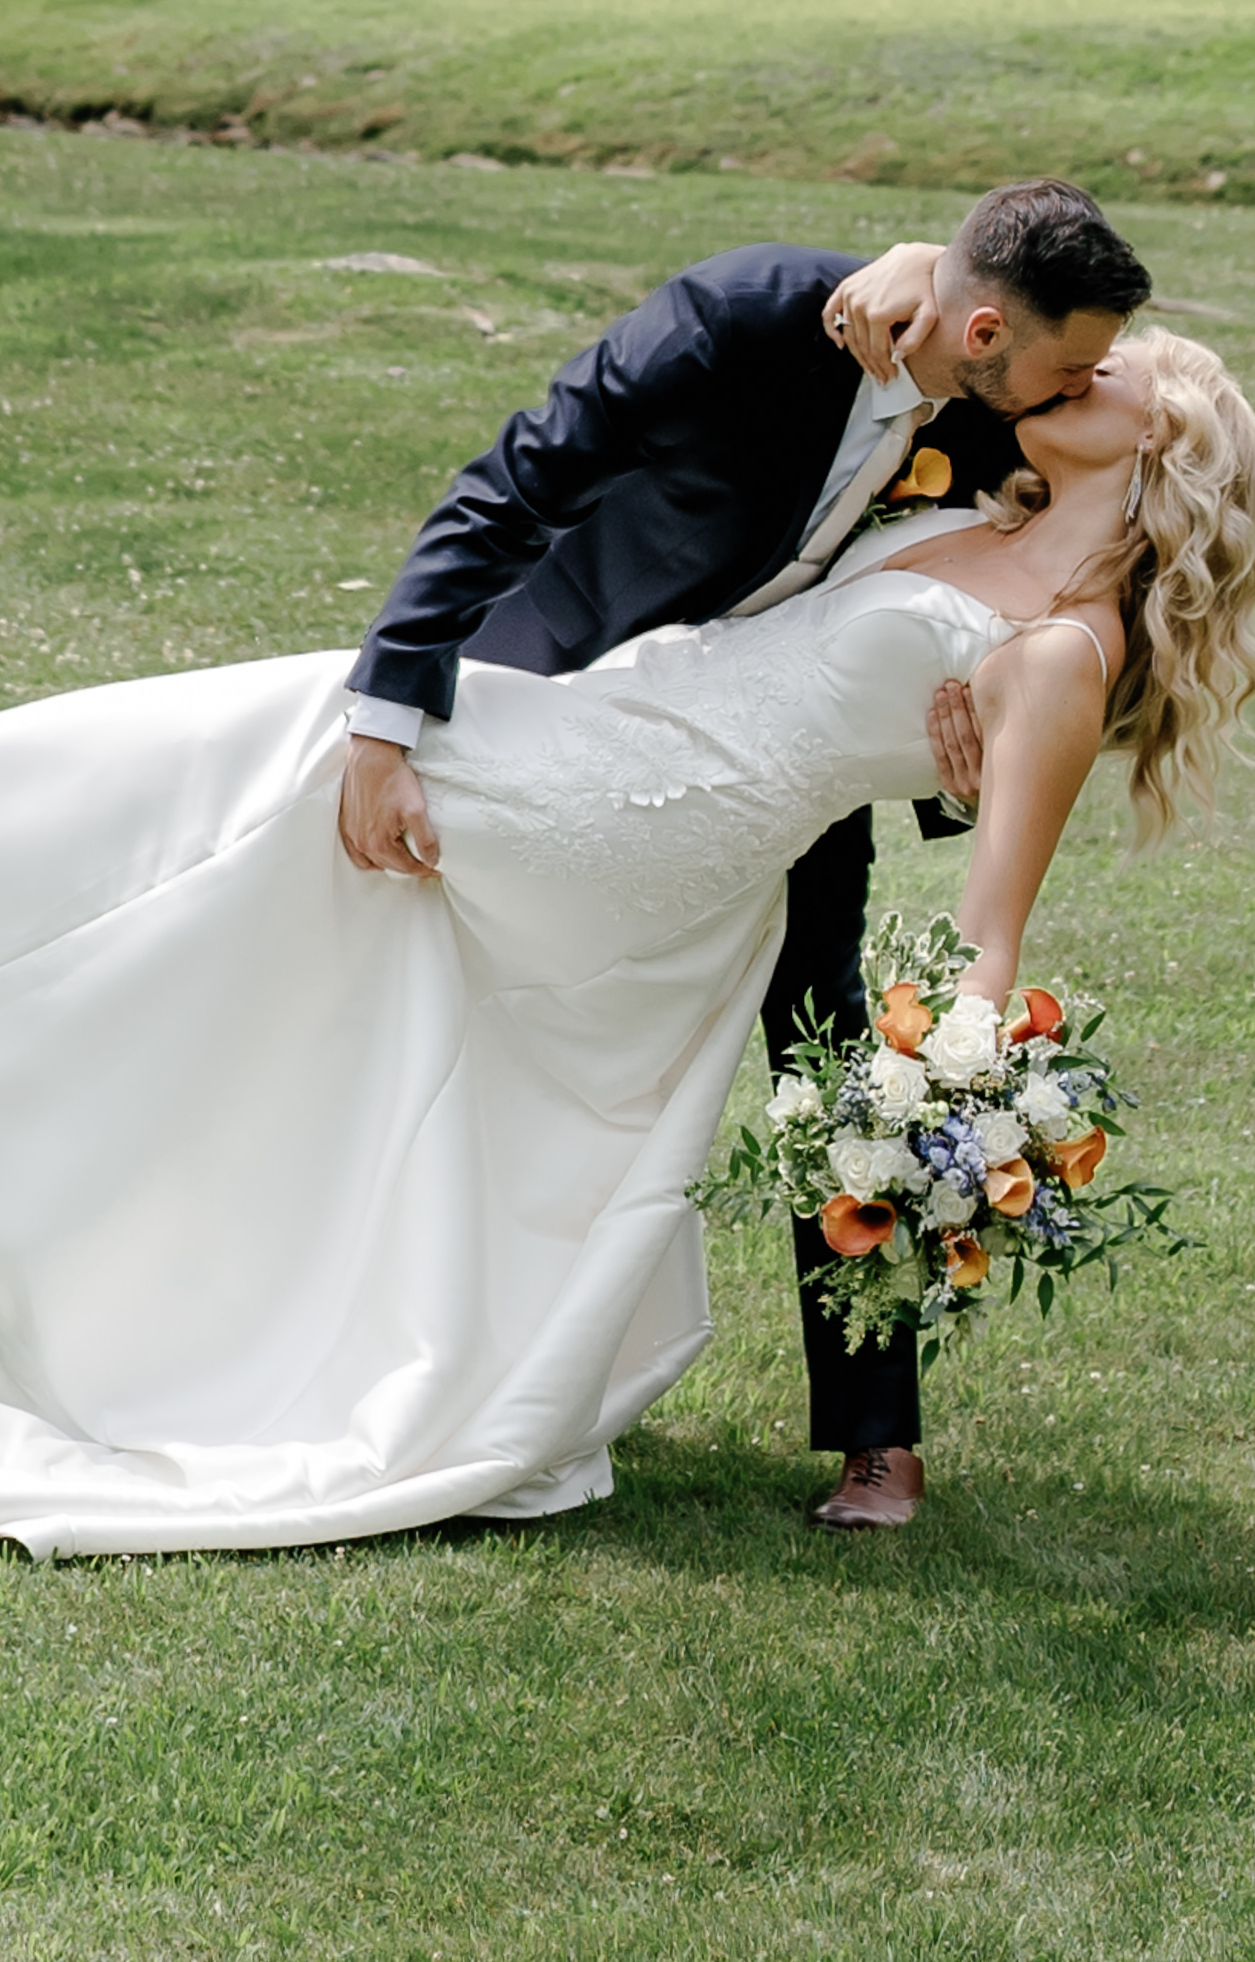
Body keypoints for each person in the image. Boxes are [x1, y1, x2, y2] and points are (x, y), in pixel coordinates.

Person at [0, 292, 1255, 1565]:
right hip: (633, 731)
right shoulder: (960, 488)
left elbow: (987, 935)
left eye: (1122, 369)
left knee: (306, 735)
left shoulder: (1065, 646)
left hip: (652, 812)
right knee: (328, 891)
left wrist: (960, 1064)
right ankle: (328, 1334)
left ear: (1172, 433)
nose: (1086, 370)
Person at [338, 186, 1153, 1528]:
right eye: (1072, 365)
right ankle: (443, 1346)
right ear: (992, 326)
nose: (1089, 385)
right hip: (583, 699)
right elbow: (524, 472)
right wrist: (388, 718)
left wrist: (956, 755)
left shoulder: (1002, 400)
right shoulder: (749, 320)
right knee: (513, 1025)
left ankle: (879, 1438)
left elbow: (965, 618)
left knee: (825, 1043)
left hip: (776, 781)